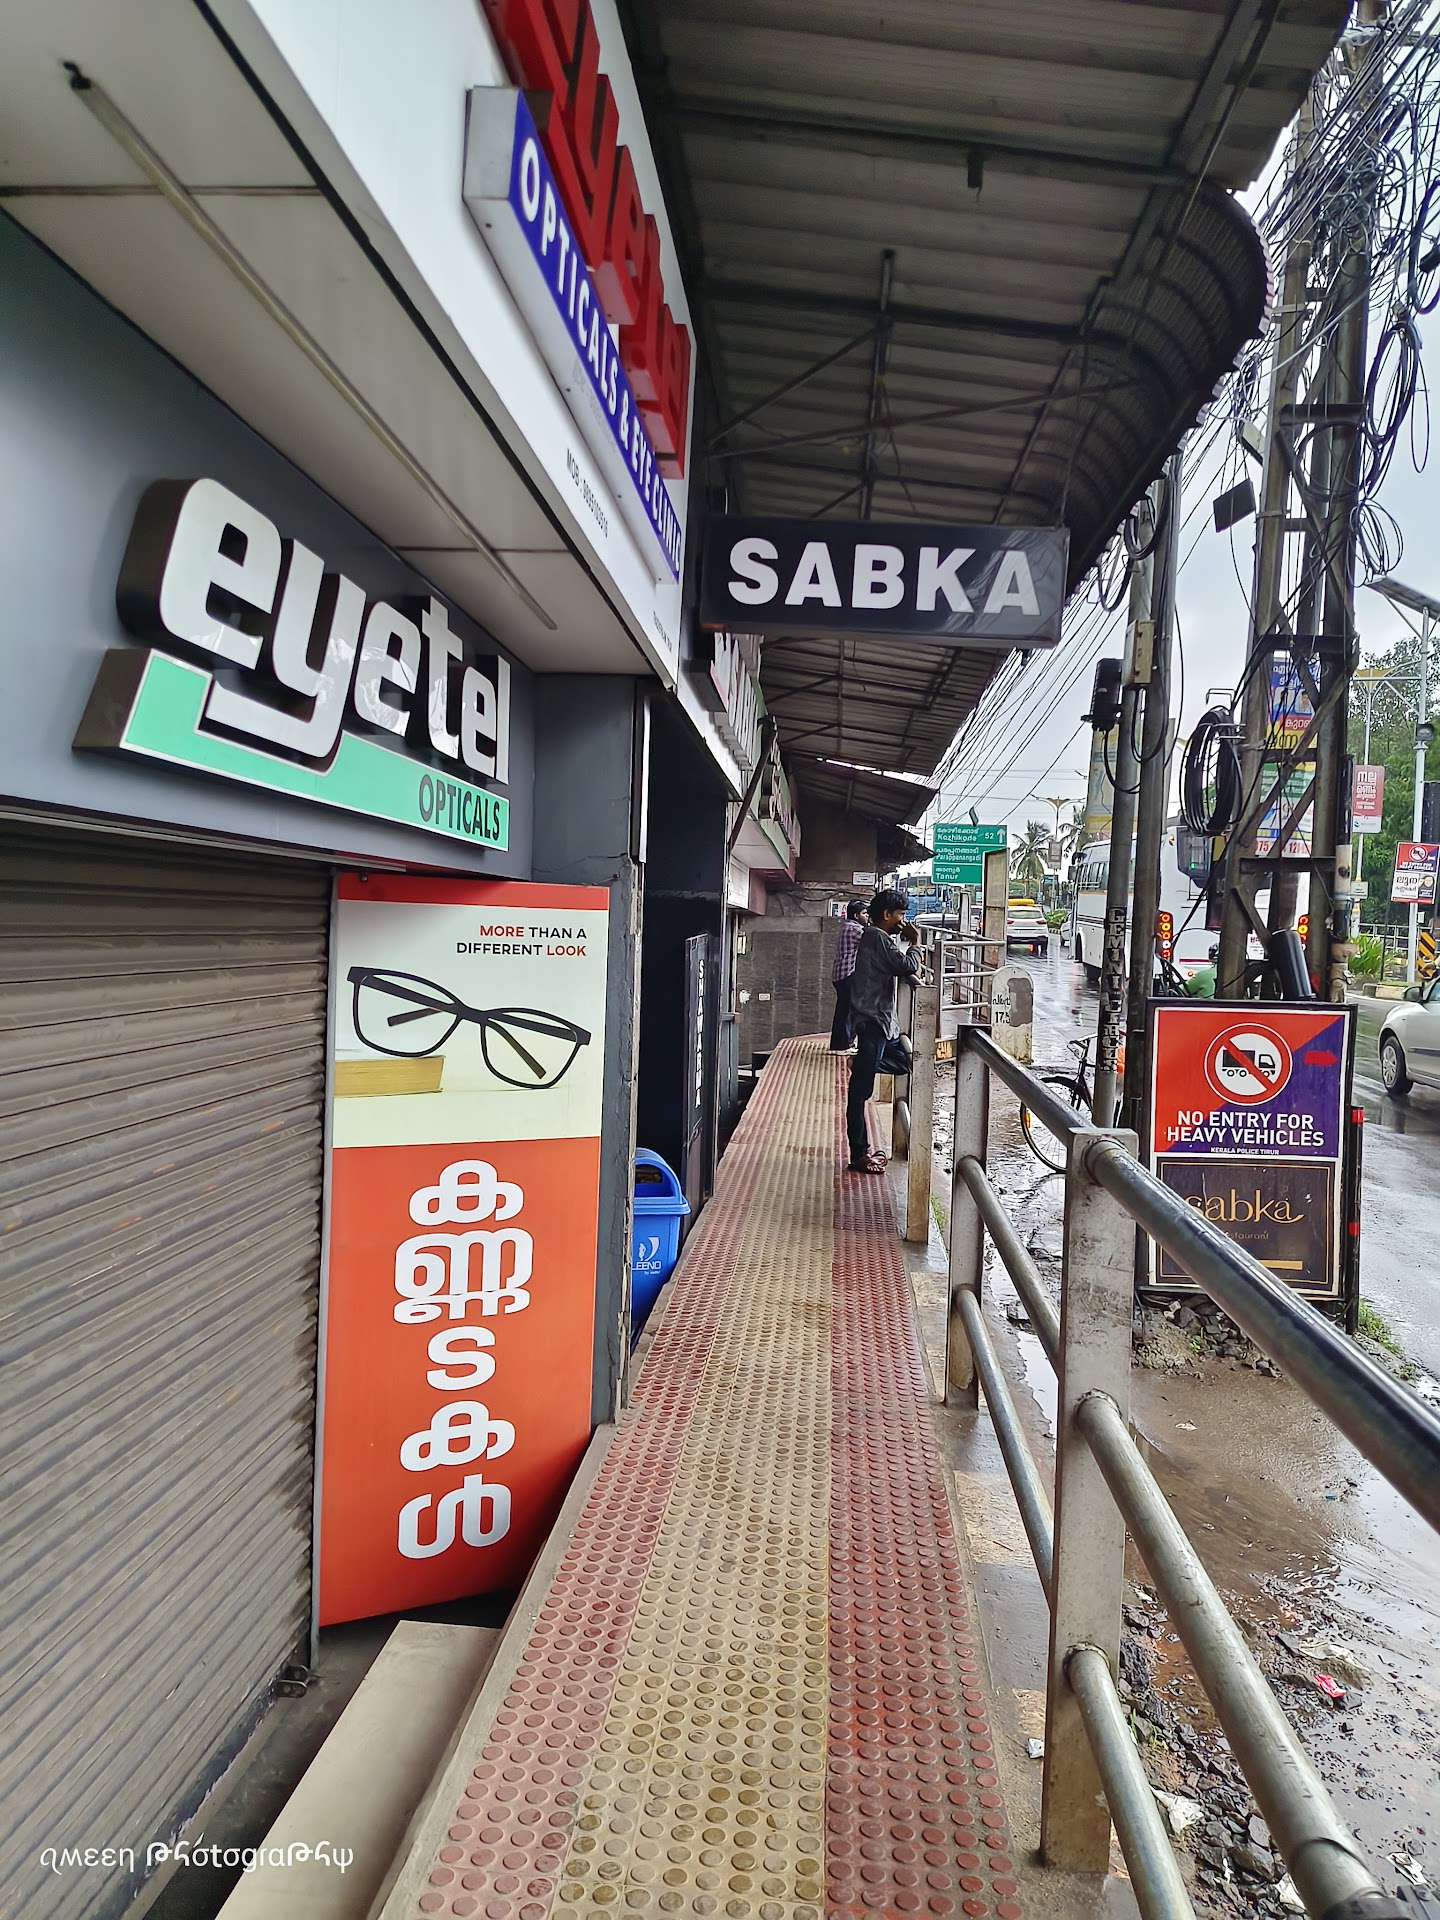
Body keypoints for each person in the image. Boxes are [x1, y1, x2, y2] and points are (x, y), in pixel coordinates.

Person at [845, 889, 923, 1174]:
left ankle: (863, 1062)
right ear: (887, 914)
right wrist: (916, 942)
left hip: (879, 1023)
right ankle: (859, 1154)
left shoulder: (878, 938)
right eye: (900, 915)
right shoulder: (877, 937)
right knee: (859, 1093)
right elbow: (907, 966)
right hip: (873, 1022)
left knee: (905, 1061)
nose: (903, 920)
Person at [829, 899, 867, 1051]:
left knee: (843, 1010)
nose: (867, 916)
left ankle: (839, 1044)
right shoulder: (855, 929)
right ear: (856, 915)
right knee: (849, 1012)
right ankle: (844, 1044)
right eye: (864, 913)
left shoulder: (846, 926)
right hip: (847, 974)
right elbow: (874, 940)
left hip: (840, 974)